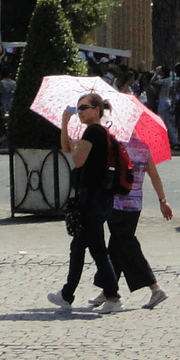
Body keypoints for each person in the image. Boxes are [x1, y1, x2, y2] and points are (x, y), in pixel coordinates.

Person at [48, 92, 122, 313]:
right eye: (77, 108)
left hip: (94, 198)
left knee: (97, 248)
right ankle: (67, 294)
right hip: (93, 197)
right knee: (79, 246)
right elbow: (66, 148)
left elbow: (78, 160)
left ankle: (113, 297)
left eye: (84, 108)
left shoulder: (95, 131)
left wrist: (78, 146)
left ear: (97, 110)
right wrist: (64, 123)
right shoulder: (94, 132)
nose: (79, 112)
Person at [105, 133, 172, 309]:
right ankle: (108, 289)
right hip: (135, 204)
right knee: (116, 245)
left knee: (127, 245)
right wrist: (162, 200)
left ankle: (155, 288)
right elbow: (154, 175)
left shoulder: (117, 144)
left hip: (118, 202)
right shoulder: (144, 147)